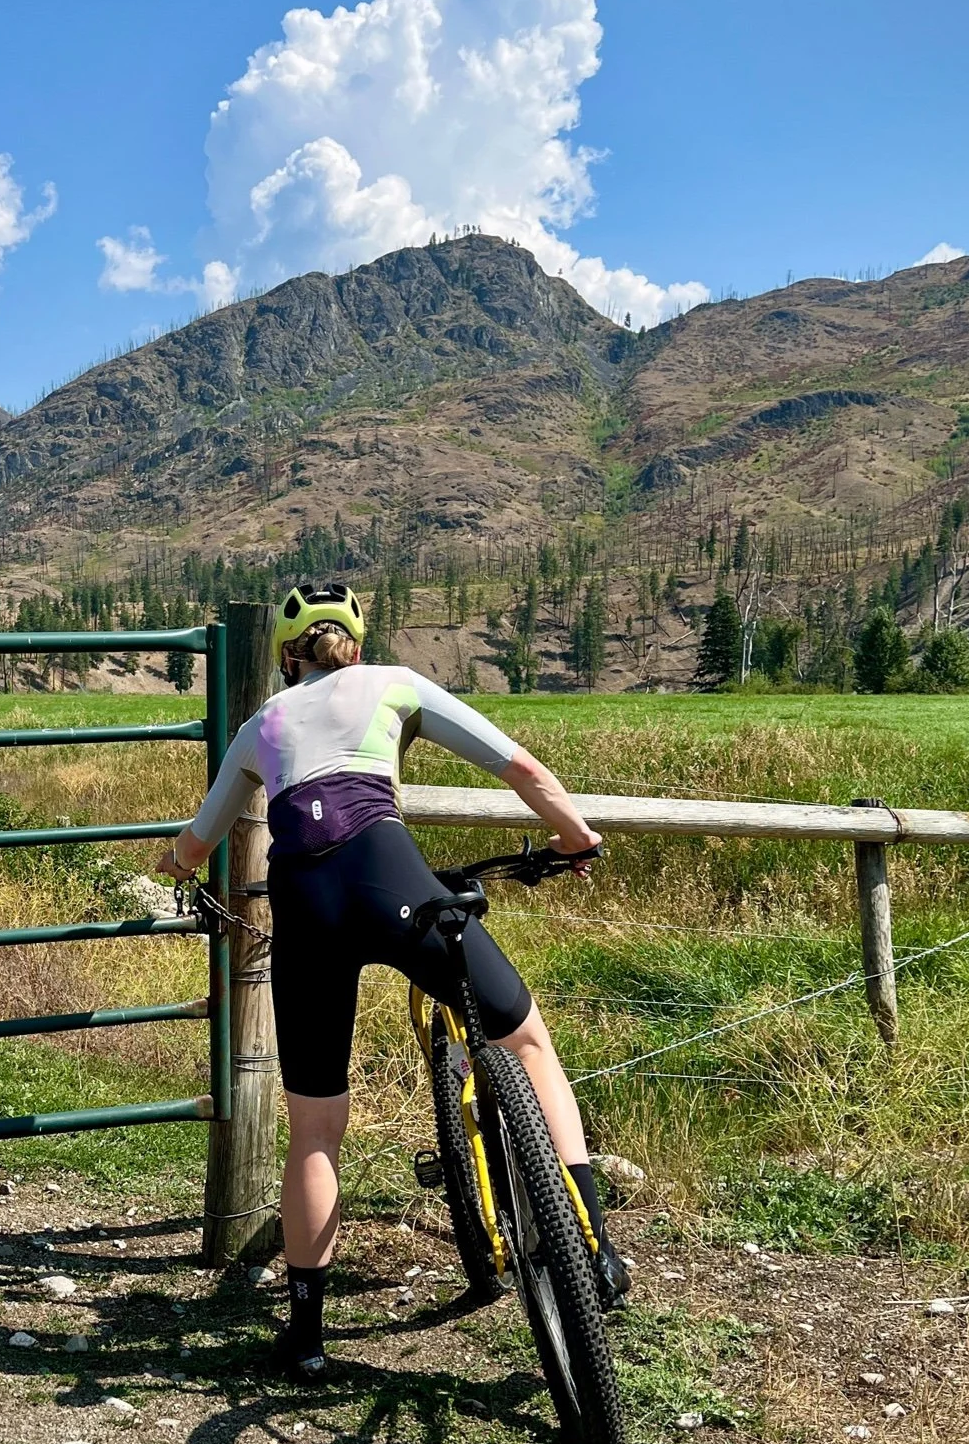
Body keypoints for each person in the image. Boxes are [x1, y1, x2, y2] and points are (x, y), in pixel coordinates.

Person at [157, 578, 629, 1382]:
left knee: (315, 1130)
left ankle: (306, 1338)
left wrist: (174, 865)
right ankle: (592, 1245)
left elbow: (199, 841)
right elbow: (517, 764)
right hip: (392, 882)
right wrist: (576, 836)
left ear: (286, 657)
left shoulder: (262, 723)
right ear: (357, 644)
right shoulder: (394, 685)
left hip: (306, 908)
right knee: (525, 1040)